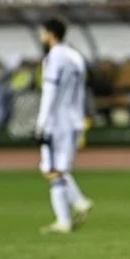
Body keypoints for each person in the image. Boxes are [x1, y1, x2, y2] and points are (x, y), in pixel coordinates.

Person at [34, 18, 94, 234]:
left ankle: (78, 202)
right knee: (59, 168)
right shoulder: (75, 56)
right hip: (74, 120)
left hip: (56, 121)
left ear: (50, 34)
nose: (41, 37)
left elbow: (50, 92)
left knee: (50, 168)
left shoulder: (54, 57)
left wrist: (41, 122)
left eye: (42, 32)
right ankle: (65, 221)